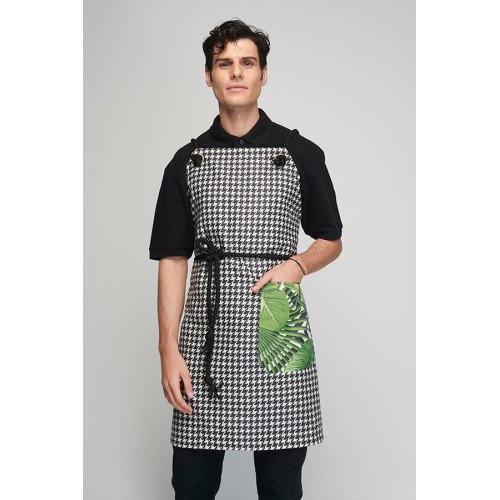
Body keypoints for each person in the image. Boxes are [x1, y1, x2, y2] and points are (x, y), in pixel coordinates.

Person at [149, 19, 343, 499]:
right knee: (191, 485)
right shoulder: (186, 162)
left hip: (278, 319)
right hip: (205, 334)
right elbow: (172, 258)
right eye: (224, 63)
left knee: (281, 485)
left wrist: (297, 265)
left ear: (263, 74)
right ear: (209, 75)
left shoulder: (301, 153)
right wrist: (168, 349)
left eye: (247, 62)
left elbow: (331, 238)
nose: (236, 72)